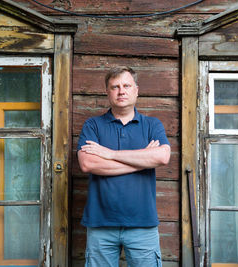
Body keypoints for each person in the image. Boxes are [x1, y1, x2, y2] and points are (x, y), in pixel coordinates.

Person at [77, 66, 171, 267]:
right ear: (107, 92)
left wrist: (110, 154)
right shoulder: (92, 125)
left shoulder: (152, 125)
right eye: (115, 87)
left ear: (136, 90)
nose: (121, 91)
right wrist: (142, 161)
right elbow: (88, 163)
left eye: (126, 85)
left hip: (142, 224)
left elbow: (162, 156)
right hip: (100, 224)